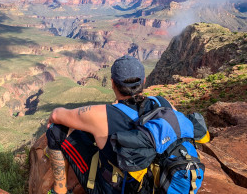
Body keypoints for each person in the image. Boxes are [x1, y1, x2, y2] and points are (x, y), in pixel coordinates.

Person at [45, 55, 206, 194]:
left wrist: (53, 120)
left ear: (113, 83)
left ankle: (59, 190)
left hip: (112, 189)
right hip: (156, 184)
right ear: (143, 81)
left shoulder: (103, 115)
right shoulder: (164, 103)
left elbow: (56, 115)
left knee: (55, 130)